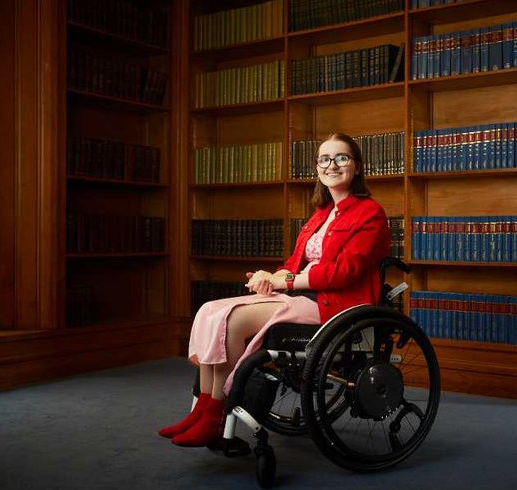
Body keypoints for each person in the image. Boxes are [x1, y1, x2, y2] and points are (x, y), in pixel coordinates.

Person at [159, 132, 390, 447]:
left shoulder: (370, 213)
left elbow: (342, 273)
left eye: (341, 158)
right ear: (317, 168)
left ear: (358, 166)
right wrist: (270, 276)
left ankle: (214, 415)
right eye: (324, 158)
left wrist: (286, 281)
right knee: (211, 310)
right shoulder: (320, 215)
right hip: (300, 294)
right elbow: (295, 263)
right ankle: (202, 408)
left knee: (234, 320)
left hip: (333, 303)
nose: (331, 165)